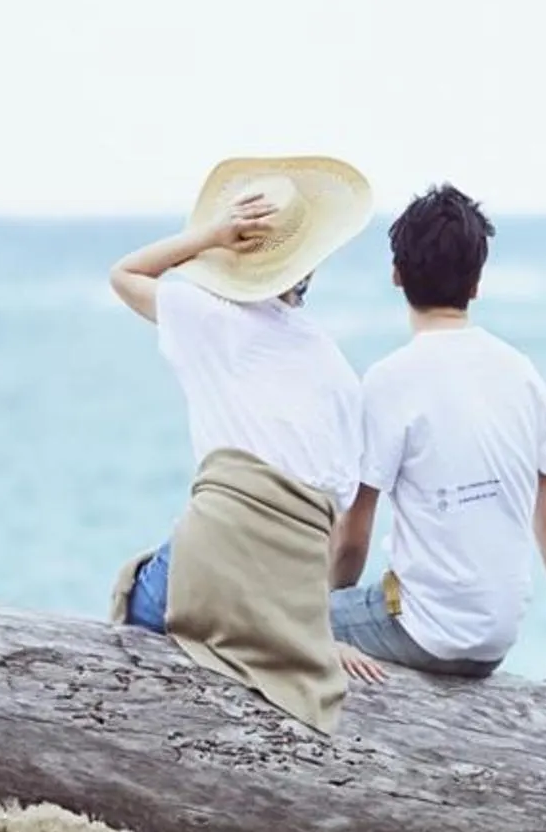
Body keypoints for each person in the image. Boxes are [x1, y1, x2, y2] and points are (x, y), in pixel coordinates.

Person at [108, 156, 387, 726]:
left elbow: (125, 275)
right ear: (308, 262)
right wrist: (314, 625)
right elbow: (334, 516)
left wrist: (208, 236)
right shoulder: (334, 367)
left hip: (207, 574)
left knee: (136, 591)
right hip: (287, 607)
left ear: (234, 256)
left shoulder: (203, 317)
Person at [329, 185, 546, 698]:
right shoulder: (523, 375)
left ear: (397, 274)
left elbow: (355, 534)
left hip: (422, 632)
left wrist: (321, 621)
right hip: (493, 644)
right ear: (477, 284)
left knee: (265, 610)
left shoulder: (389, 379)